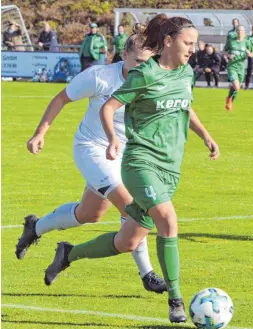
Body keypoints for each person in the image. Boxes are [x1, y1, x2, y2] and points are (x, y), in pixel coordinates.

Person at [43, 14, 220, 323]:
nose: (194, 49)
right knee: (168, 220)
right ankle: (176, 300)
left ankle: (67, 254)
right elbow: (109, 106)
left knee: (127, 241)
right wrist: (112, 139)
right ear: (168, 42)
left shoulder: (185, 73)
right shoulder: (144, 75)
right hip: (139, 164)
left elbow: (184, 105)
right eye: (188, 43)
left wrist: (206, 136)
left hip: (169, 168)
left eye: (194, 43)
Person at [15, 31, 167, 295]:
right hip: (92, 149)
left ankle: (35, 227)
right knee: (132, 208)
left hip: (124, 155)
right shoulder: (100, 76)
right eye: (139, 61)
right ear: (124, 56)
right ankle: (147, 273)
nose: (144, 67)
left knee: (89, 214)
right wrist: (40, 133)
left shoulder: (151, 80)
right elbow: (61, 98)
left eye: (149, 61)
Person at [224, 25, 253, 111]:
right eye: (238, 30)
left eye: (242, 30)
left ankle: (230, 101)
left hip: (241, 68)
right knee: (236, 86)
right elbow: (224, 51)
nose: (240, 32)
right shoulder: (231, 41)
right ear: (236, 32)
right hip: (232, 67)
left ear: (244, 32)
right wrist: (229, 55)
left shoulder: (247, 42)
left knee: (238, 89)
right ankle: (229, 100)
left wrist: (249, 54)